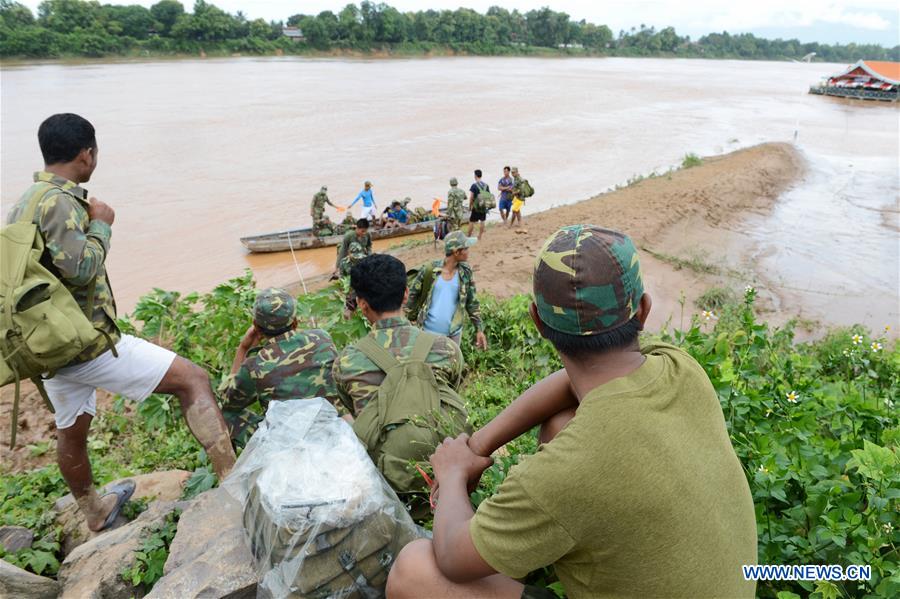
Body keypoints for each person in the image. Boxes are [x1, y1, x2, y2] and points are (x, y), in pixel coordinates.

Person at [386, 225, 758, 599]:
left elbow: (451, 555)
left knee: (414, 567)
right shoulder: (679, 366)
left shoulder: (566, 469)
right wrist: (478, 446)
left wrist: (452, 473)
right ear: (643, 311)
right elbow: (570, 383)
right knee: (560, 422)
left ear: (538, 321)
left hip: (563, 489)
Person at [6, 113, 236, 532]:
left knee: (71, 430)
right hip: (85, 342)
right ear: (86, 155)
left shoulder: (24, 201)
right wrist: (102, 225)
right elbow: (80, 268)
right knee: (193, 379)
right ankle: (234, 486)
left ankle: (95, 511)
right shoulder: (61, 202)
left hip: (47, 343)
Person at [333, 254, 469, 510]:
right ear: (406, 294)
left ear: (362, 305)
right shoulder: (446, 349)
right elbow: (450, 395)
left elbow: (354, 413)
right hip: (445, 477)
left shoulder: (347, 361)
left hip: (384, 487)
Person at [220, 288, 341, 442]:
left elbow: (227, 401)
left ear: (256, 327)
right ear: (295, 321)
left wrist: (243, 349)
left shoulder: (254, 366)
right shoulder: (322, 338)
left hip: (287, 442)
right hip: (330, 427)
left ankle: (262, 449)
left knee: (226, 416)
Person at [406, 231, 487, 350]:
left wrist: (479, 330)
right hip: (427, 334)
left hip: (453, 335)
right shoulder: (430, 270)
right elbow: (411, 298)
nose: (468, 251)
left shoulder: (465, 272)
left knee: (452, 368)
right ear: (456, 252)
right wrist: (408, 325)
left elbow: (472, 302)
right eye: (466, 248)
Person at [466, 169, 488, 240]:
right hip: (483, 206)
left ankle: (468, 236)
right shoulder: (486, 185)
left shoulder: (474, 185)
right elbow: (488, 196)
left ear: (475, 176)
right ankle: (480, 236)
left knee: (471, 221)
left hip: (476, 207)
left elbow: (471, 198)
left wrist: (470, 206)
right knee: (482, 221)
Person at [509, 166, 527, 233]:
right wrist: (511, 189)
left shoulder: (520, 179)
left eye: (514, 172)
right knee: (515, 211)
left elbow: (521, 190)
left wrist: (514, 192)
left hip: (520, 198)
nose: (512, 174)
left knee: (515, 210)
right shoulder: (515, 179)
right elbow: (515, 186)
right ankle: (511, 225)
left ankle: (521, 227)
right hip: (516, 197)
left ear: (517, 172)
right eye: (512, 172)